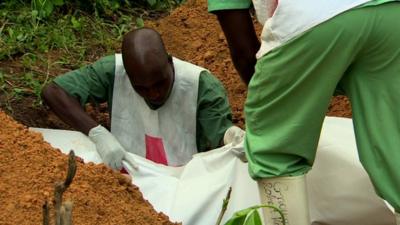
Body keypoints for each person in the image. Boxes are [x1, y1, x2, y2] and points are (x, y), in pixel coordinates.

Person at [208, 0, 400, 224]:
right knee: (392, 138)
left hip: (309, 16)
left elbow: (244, 52)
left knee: (274, 151)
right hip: (391, 13)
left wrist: (275, 117)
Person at [42, 27, 243, 170]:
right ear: (127, 74)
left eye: (160, 83)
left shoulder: (201, 86)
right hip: (126, 174)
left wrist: (229, 136)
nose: (154, 94)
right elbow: (54, 92)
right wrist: (97, 133)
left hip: (183, 184)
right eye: (142, 88)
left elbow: (217, 134)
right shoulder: (113, 72)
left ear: (170, 62)